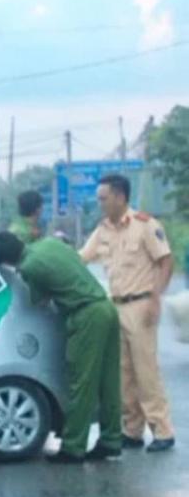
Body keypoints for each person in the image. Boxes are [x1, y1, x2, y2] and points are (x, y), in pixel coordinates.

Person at [0, 232, 122, 463]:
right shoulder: (50, 243)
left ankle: (73, 447)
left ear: (7, 261)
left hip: (85, 315)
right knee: (108, 381)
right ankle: (111, 440)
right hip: (106, 308)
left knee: (82, 382)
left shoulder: (29, 267)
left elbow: (38, 301)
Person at [81, 174, 175, 453]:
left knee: (146, 371)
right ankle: (132, 430)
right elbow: (82, 257)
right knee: (123, 373)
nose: (100, 203)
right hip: (116, 306)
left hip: (141, 304)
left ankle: (162, 430)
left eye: (103, 198)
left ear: (120, 197)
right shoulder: (103, 230)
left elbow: (166, 261)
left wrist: (156, 299)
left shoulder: (145, 225)